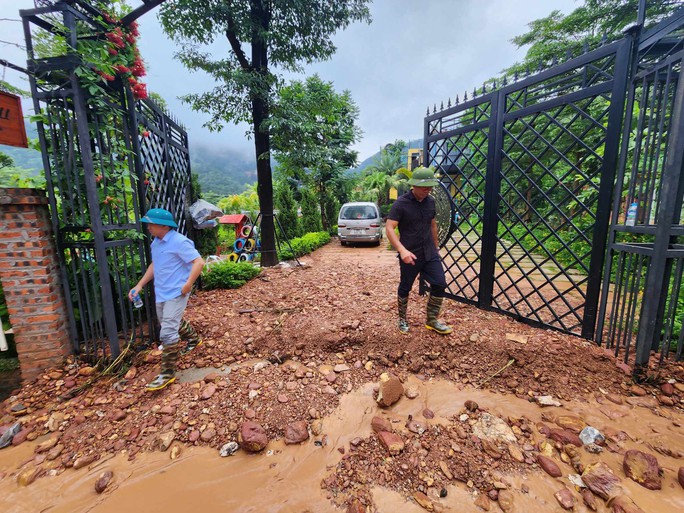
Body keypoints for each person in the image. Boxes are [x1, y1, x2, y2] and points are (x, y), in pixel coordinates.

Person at [129, 208, 205, 391]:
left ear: (163, 225)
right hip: (161, 292)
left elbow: (199, 262)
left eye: (151, 224)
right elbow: (155, 265)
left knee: (167, 331)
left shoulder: (179, 241)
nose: (148, 227)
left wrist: (188, 285)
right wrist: (139, 285)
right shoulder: (156, 243)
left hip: (176, 292)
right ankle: (194, 340)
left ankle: (167, 374)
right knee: (167, 322)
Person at [385, 167, 453, 335]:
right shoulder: (401, 204)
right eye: (424, 187)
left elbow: (432, 224)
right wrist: (402, 250)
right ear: (413, 185)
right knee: (405, 287)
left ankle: (432, 320)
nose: (428, 190)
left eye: (430, 187)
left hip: (429, 252)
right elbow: (389, 228)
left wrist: (436, 247)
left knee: (439, 283)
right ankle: (402, 319)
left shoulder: (430, 202)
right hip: (410, 253)